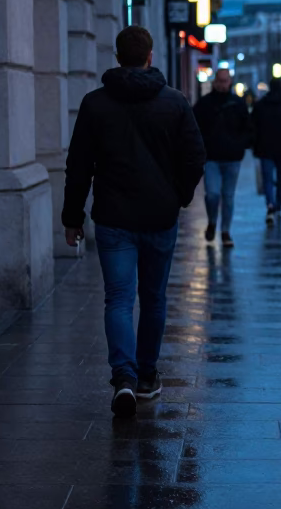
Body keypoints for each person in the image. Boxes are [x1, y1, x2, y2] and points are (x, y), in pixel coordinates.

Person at [62, 27, 206, 418]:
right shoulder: (174, 103)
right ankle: (146, 377)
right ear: (150, 56)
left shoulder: (95, 104)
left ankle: (122, 377)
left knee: (119, 298)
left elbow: (78, 167)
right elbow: (195, 156)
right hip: (159, 216)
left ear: (117, 56)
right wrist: (179, 195)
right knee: (154, 298)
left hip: (113, 216)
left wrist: (72, 218)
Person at [192, 67, 253, 247]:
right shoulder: (205, 104)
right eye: (219, 81)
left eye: (225, 81)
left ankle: (225, 231)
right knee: (212, 194)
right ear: (215, 82)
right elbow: (194, 127)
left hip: (232, 157)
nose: (222, 84)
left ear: (230, 82)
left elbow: (248, 128)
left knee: (228, 196)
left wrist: (240, 144)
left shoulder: (238, 104)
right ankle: (212, 222)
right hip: (211, 157)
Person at [252, 77, 281, 224]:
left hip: (265, 147)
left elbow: (253, 127)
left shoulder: (260, 106)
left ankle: (270, 203)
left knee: (267, 178)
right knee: (280, 177)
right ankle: (278, 205)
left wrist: (254, 145)